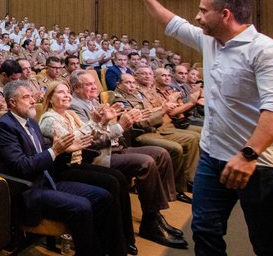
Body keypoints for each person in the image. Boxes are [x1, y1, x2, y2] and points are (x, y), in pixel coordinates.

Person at [134, 0, 273, 255]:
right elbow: (172, 23)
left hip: (257, 165)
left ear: (226, 15)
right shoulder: (211, 41)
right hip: (212, 157)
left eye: (203, 10)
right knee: (205, 232)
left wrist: (248, 155)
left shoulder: (267, 52)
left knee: (266, 240)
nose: (197, 16)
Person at [0, 80, 120, 256]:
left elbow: (43, 154)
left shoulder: (31, 121)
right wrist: (55, 151)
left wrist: (65, 151)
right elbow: (22, 166)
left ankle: (108, 250)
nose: (32, 100)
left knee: (103, 196)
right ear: (12, 102)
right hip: (29, 189)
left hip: (47, 179)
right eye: (26, 97)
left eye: (31, 96)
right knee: (82, 206)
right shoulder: (5, 127)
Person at [68, 70, 185, 249]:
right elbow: (91, 139)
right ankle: (151, 221)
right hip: (100, 155)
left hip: (117, 146)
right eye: (88, 85)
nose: (94, 87)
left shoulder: (93, 100)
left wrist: (128, 122)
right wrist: (121, 125)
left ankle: (154, 214)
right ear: (76, 88)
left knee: (161, 154)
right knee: (146, 162)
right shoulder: (76, 106)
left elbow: (108, 128)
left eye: (94, 83)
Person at [38, 80, 133, 255]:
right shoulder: (48, 119)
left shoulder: (70, 115)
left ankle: (125, 238)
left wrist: (102, 122)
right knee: (111, 182)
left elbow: (93, 136)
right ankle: (112, 245)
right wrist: (94, 122)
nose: (67, 95)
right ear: (50, 99)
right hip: (62, 169)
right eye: (60, 92)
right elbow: (72, 140)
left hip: (77, 163)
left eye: (67, 92)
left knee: (118, 177)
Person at [113, 71, 200, 202]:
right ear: (119, 85)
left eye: (132, 82)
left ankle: (186, 182)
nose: (132, 86)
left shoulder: (139, 95)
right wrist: (163, 110)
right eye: (127, 83)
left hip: (154, 128)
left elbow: (152, 111)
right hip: (140, 134)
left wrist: (160, 110)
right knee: (176, 148)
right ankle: (175, 188)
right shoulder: (120, 100)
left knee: (192, 138)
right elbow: (140, 122)